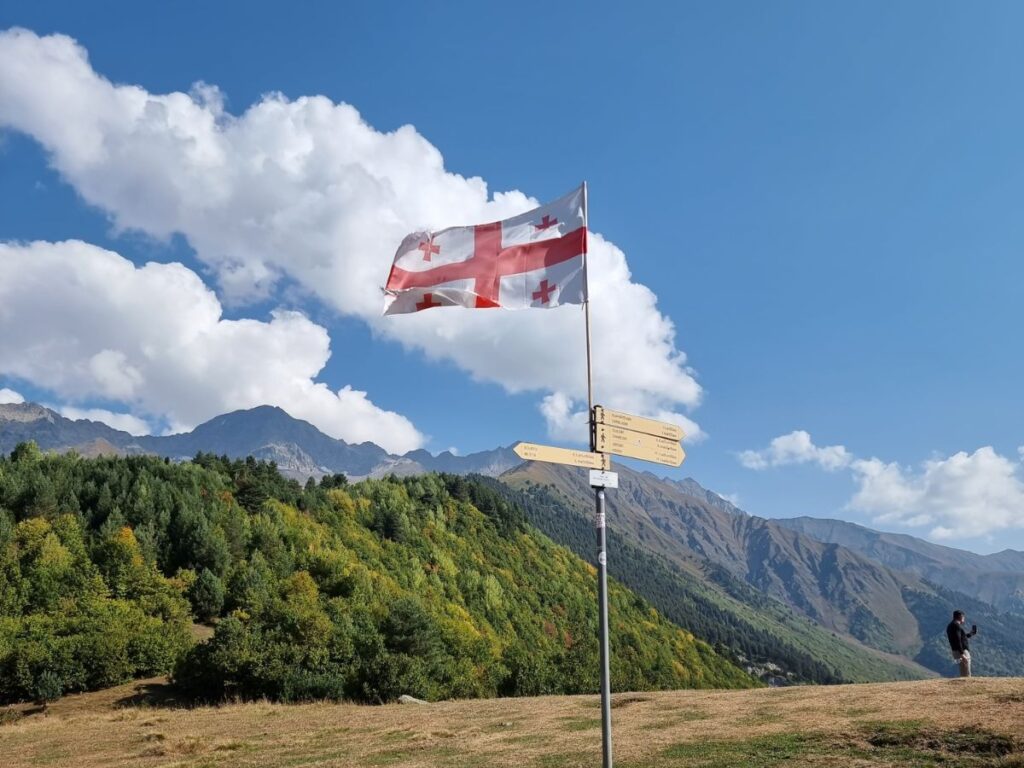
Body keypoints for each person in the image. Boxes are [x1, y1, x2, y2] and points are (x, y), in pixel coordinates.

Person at [945, 610, 977, 678]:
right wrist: (962, 654)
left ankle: (965, 685)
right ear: (961, 617)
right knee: (966, 673)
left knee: (963, 671)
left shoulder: (951, 625)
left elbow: (960, 637)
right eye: (963, 617)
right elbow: (958, 640)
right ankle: (966, 686)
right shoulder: (956, 626)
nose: (964, 619)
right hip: (962, 651)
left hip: (956, 651)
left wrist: (971, 633)